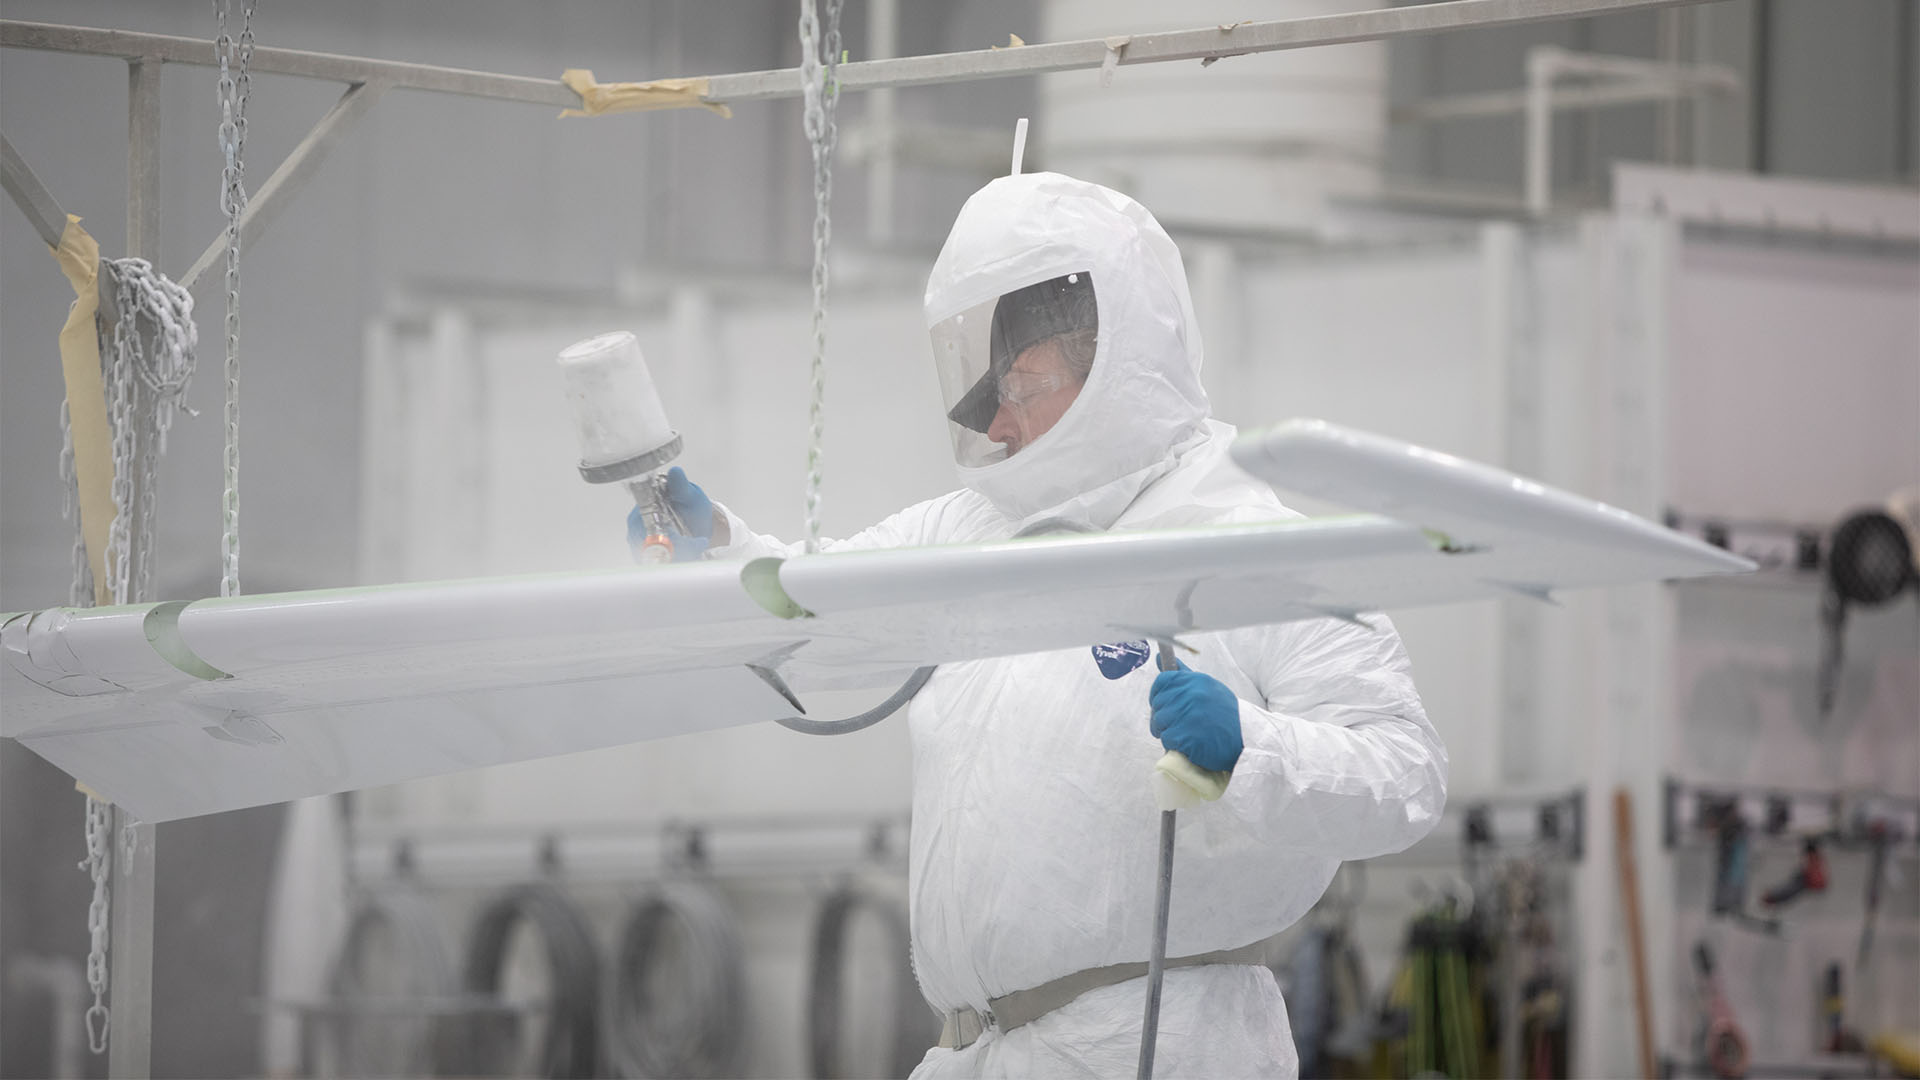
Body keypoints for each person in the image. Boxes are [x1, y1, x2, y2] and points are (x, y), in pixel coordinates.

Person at [630, 172, 1447, 1078]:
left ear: (1113, 360)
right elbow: (822, 612)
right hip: (979, 1049)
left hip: (1161, 1044)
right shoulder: (970, 530)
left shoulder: (1250, 544)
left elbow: (1404, 776)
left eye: (1021, 381)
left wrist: (1248, 751)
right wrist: (716, 551)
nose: (997, 416)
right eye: (981, 382)